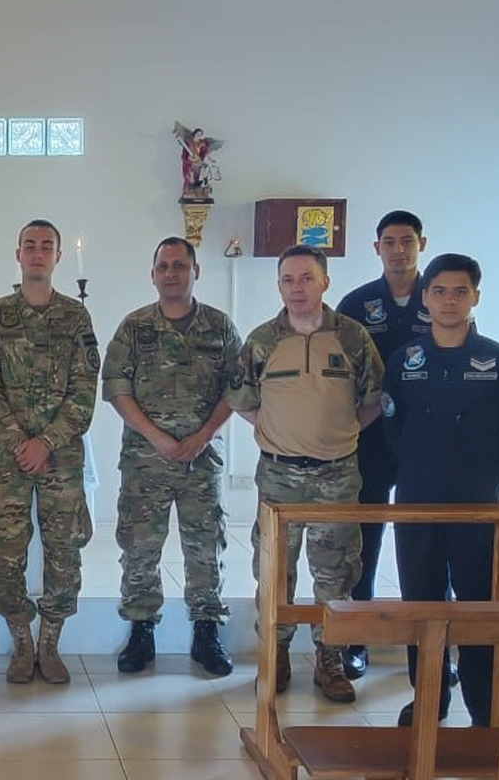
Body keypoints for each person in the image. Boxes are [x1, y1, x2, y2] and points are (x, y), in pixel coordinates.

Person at [383, 254, 499, 728]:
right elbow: (392, 425)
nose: (449, 301)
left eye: (459, 291)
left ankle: (482, 703)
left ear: (475, 296)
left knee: (476, 604)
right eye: (439, 291)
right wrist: (415, 470)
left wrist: (489, 476)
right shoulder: (405, 360)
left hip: (478, 504)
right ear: (426, 297)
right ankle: (429, 695)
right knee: (421, 602)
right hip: (416, 501)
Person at [228, 245, 384, 702]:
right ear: (279, 286)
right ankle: (274, 656)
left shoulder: (353, 338)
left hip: (337, 476)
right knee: (275, 572)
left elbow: (373, 398)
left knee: (335, 575)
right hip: (278, 477)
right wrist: (277, 431)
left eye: (306, 278)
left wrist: (344, 430)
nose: (297, 288)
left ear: (324, 282)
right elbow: (242, 400)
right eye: (288, 280)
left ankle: (329, 659)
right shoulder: (262, 340)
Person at [104, 236, 241, 679]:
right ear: (153, 274)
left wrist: (203, 435)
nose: (171, 273)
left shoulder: (219, 327)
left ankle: (206, 632)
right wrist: (155, 436)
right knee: (140, 547)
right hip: (146, 459)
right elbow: (116, 388)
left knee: (205, 548)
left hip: (201, 460)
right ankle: (141, 631)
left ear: (195, 271)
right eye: (163, 266)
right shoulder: (134, 327)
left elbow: (235, 390)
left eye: (179, 266)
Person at [0, 220, 99, 684]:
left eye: (47, 246)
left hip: (60, 456)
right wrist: (18, 442)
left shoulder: (75, 317)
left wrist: (46, 441)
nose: (37, 253)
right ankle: (20, 642)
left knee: (64, 549)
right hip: (7, 459)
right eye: (30, 245)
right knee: (6, 550)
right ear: (18, 253)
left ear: (58, 257)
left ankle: (50, 642)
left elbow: (85, 388)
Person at [333, 210, 429, 678]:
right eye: (389, 242)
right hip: (370, 436)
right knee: (364, 540)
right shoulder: (357, 302)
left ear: (421, 244)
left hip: (425, 443)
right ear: (377, 248)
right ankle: (357, 638)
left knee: (425, 543)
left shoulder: (443, 295)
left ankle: (432, 647)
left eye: (406, 241)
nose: (398, 250)